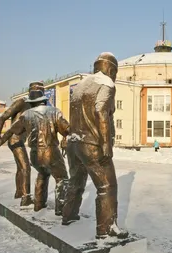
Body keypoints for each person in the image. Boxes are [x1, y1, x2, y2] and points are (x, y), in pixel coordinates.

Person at [62, 52, 128, 240]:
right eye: (114, 72)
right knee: (107, 186)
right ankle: (106, 229)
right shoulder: (106, 84)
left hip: (74, 143)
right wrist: (106, 143)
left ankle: (69, 215)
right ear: (111, 69)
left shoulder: (81, 86)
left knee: (76, 181)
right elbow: (101, 110)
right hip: (91, 143)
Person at [0, 89, 70, 215]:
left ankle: (38, 205)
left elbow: (13, 130)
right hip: (50, 152)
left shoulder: (26, 115)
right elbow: (67, 129)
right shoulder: (54, 112)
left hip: (35, 155)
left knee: (42, 175)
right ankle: (61, 209)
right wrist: (68, 137)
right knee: (62, 179)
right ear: (44, 101)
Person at [0, 82, 44, 206]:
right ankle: (26, 197)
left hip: (20, 139)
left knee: (21, 168)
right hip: (14, 139)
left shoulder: (34, 106)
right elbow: (2, 117)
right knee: (26, 167)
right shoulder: (22, 102)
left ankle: (19, 192)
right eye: (41, 90)